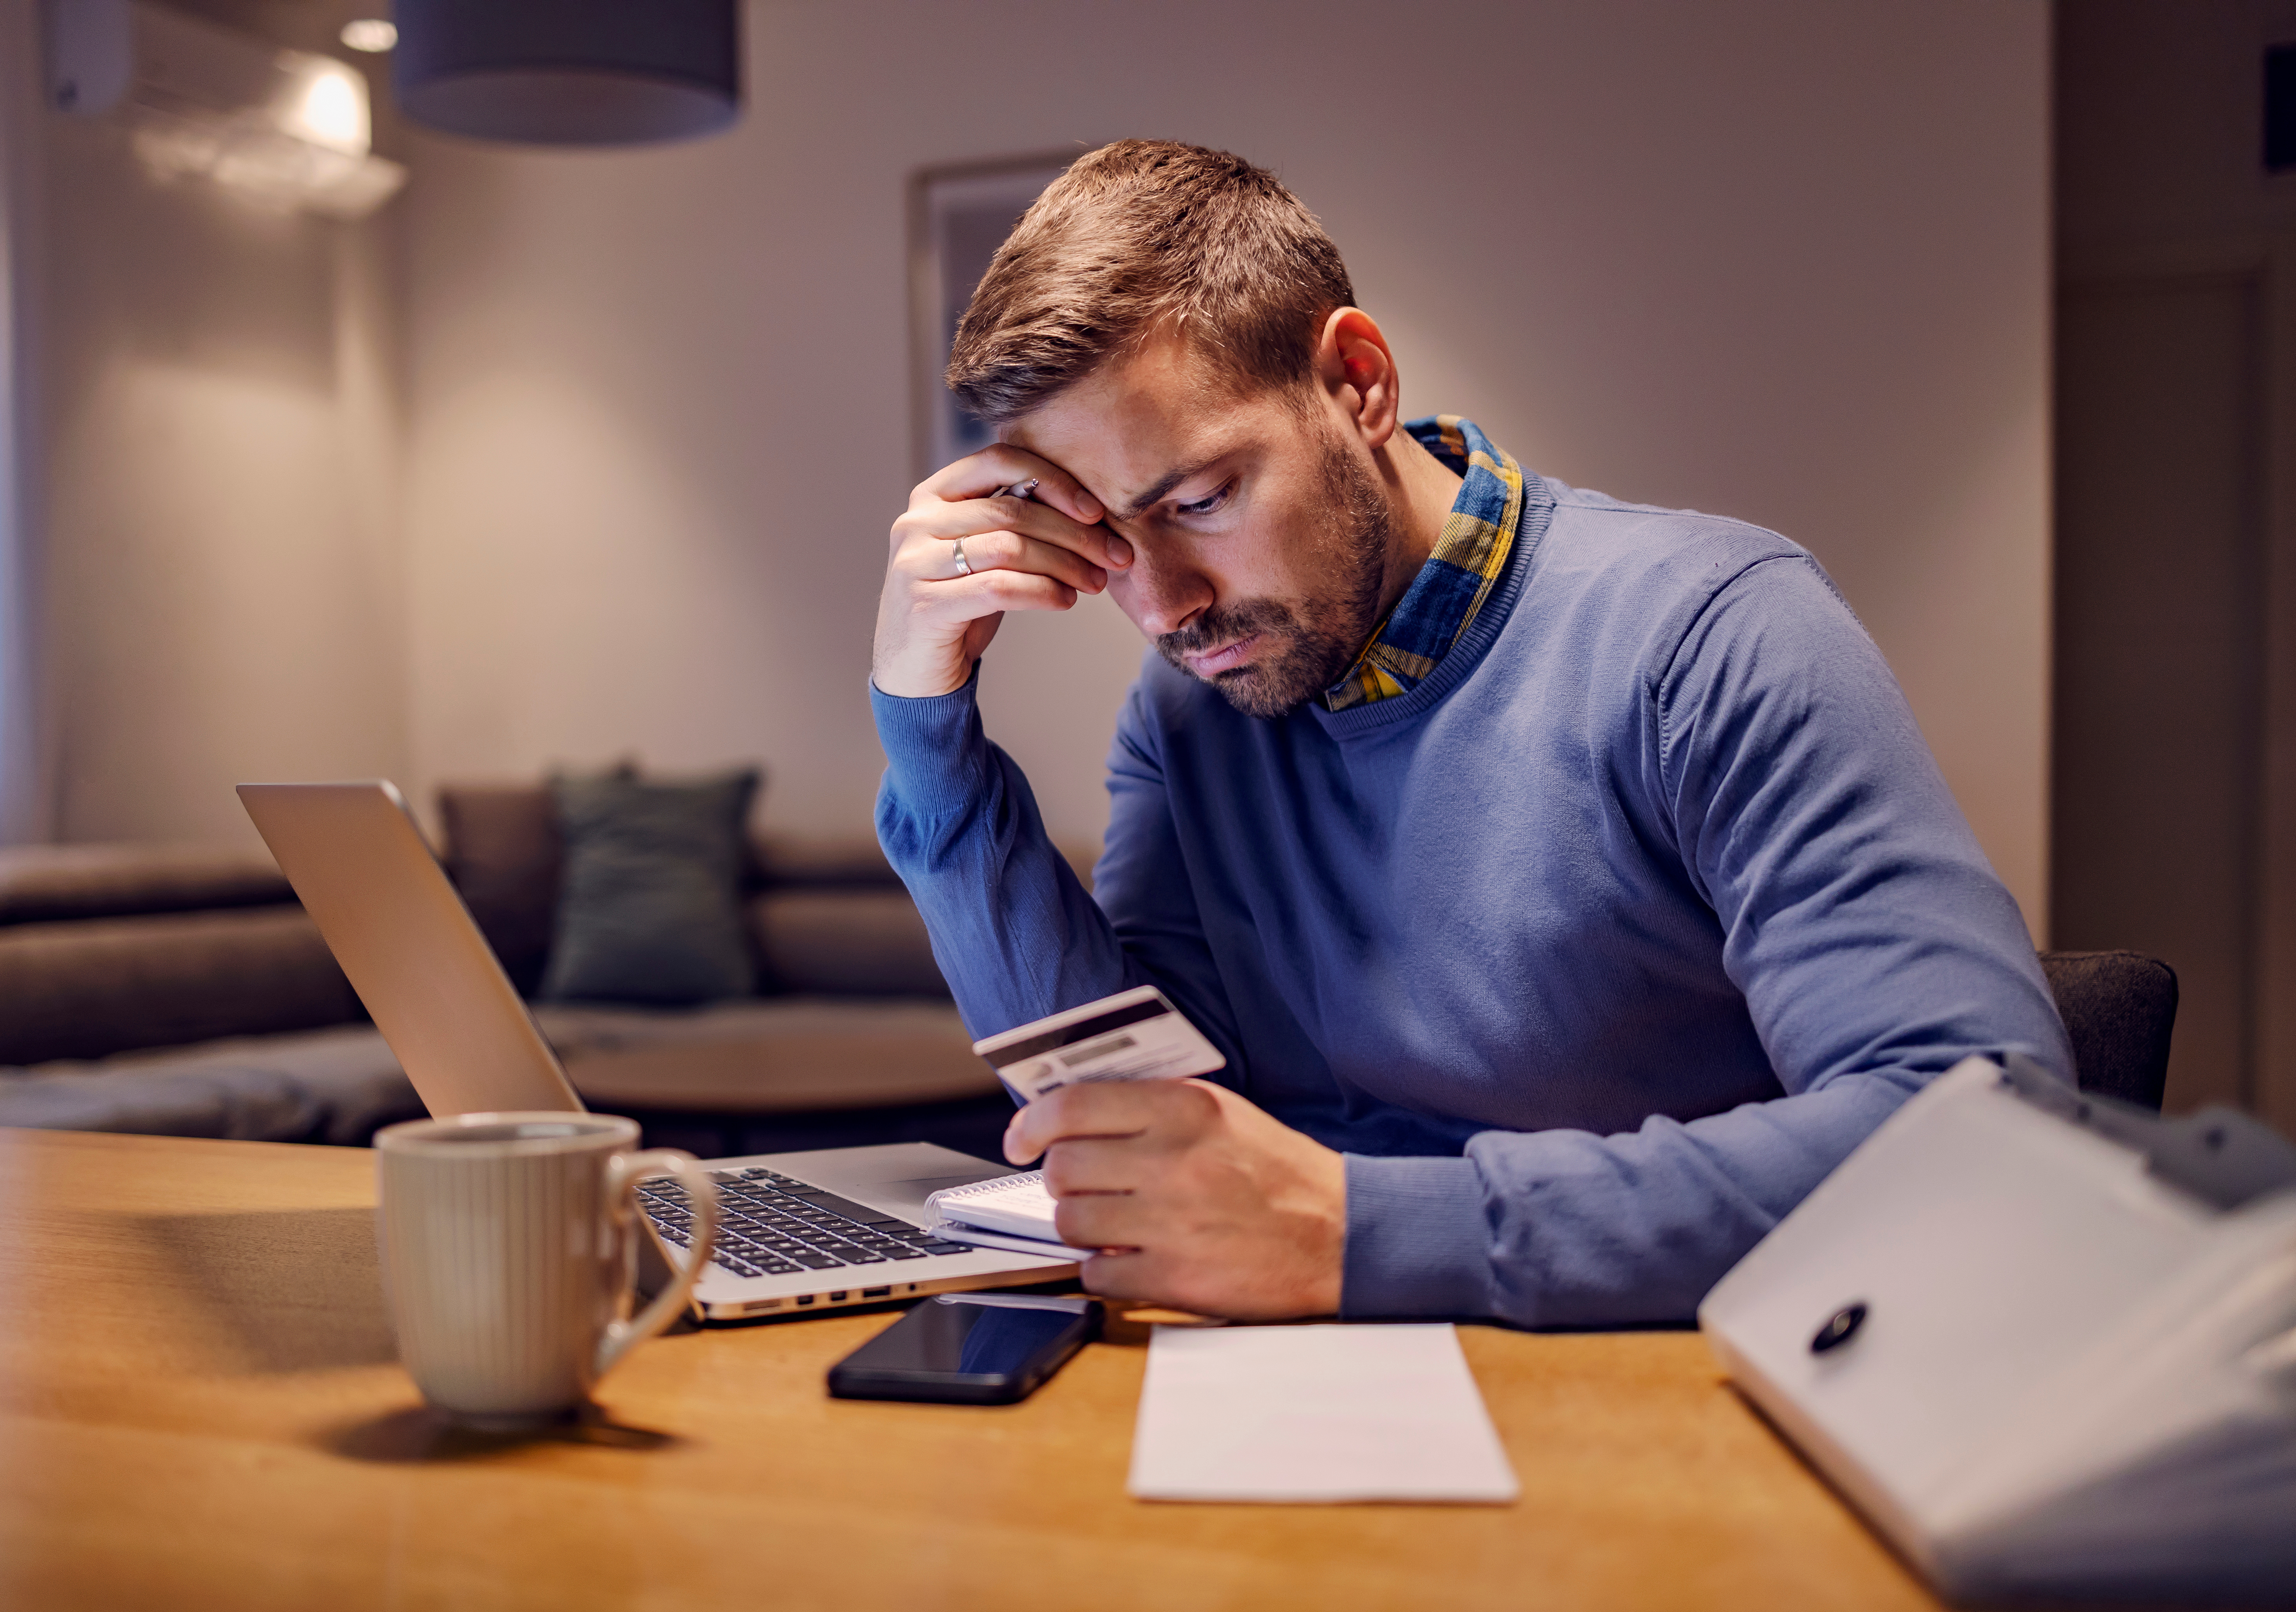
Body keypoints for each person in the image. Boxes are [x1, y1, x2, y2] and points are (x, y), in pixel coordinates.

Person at [869, 140, 2068, 1327]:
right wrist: (928, 727)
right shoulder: (1196, 704)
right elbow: (1149, 1112)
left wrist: (1361, 1231)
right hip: (1288, 1372)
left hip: (1656, 1380)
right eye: (1108, 544)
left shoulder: (1712, 633)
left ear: (1359, 383)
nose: (1164, 609)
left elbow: (1978, 1127)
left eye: (1199, 501)